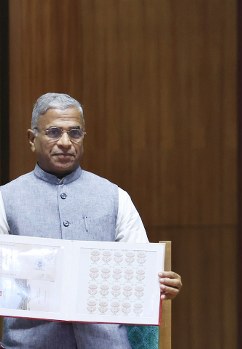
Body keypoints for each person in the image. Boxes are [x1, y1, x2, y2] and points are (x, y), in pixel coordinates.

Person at [0, 93, 183, 348]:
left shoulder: (115, 197)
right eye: (53, 132)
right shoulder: (6, 199)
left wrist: (162, 285)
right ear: (32, 139)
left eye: (74, 133)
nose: (65, 142)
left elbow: (142, 276)